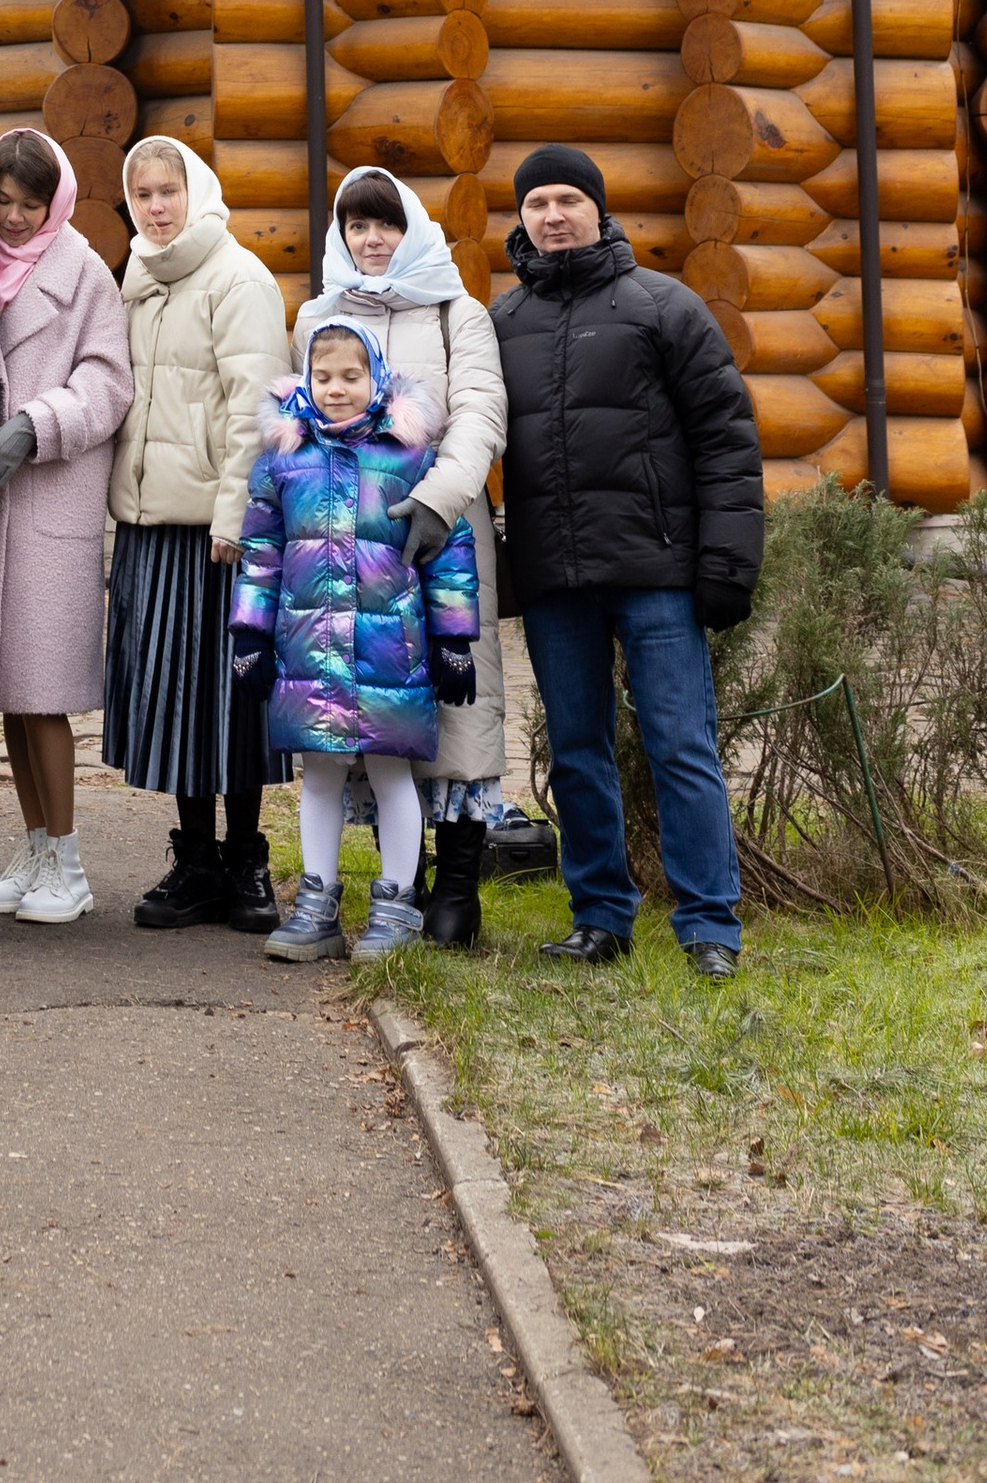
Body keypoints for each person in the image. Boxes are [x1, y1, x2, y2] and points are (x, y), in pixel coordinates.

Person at [490, 144, 765, 980]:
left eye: (569, 199)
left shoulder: (663, 306)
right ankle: (601, 918)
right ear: (524, 219)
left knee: (681, 744)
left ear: (599, 210)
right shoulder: (501, 324)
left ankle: (709, 926)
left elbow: (726, 439)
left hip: (657, 573)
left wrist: (726, 563)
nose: (553, 216)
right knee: (576, 748)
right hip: (555, 579)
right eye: (538, 204)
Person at [293, 165, 508, 949]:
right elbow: (306, 419)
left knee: (457, 705)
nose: (372, 239)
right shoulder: (318, 314)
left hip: (441, 532)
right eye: (357, 225)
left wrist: (439, 498)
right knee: (371, 703)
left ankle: (455, 888)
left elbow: (482, 413)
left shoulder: (459, 315)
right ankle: (396, 886)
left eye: (385, 223)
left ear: (412, 227)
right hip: (348, 543)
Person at [232, 318, 481, 962]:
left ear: (377, 379)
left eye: (351, 377)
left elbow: (449, 553)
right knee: (319, 775)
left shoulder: (409, 457)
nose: (336, 389)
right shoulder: (285, 461)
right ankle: (316, 903)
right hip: (308, 646)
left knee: (392, 775)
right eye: (323, 377)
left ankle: (396, 904)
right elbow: (260, 553)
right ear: (305, 381)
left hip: (389, 651)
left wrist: (455, 639)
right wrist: (251, 633)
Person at [101, 136, 291, 936]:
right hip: (151, 524)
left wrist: (236, 515)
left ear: (196, 191)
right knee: (177, 699)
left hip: (218, 530)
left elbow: (257, 404)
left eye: (167, 190)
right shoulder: (137, 277)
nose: (155, 205)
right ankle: (197, 860)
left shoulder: (237, 277)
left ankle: (248, 860)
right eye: (142, 193)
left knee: (230, 694)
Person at [0, 130, 132, 928]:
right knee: (9, 694)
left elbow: (108, 380)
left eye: (30, 203)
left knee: (45, 692)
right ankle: (32, 847)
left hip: (50, 494)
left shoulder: (84, 271)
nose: (17, 218)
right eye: (3, 202)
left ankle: (69, 858)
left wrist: (37, 421)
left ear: (54, 198)